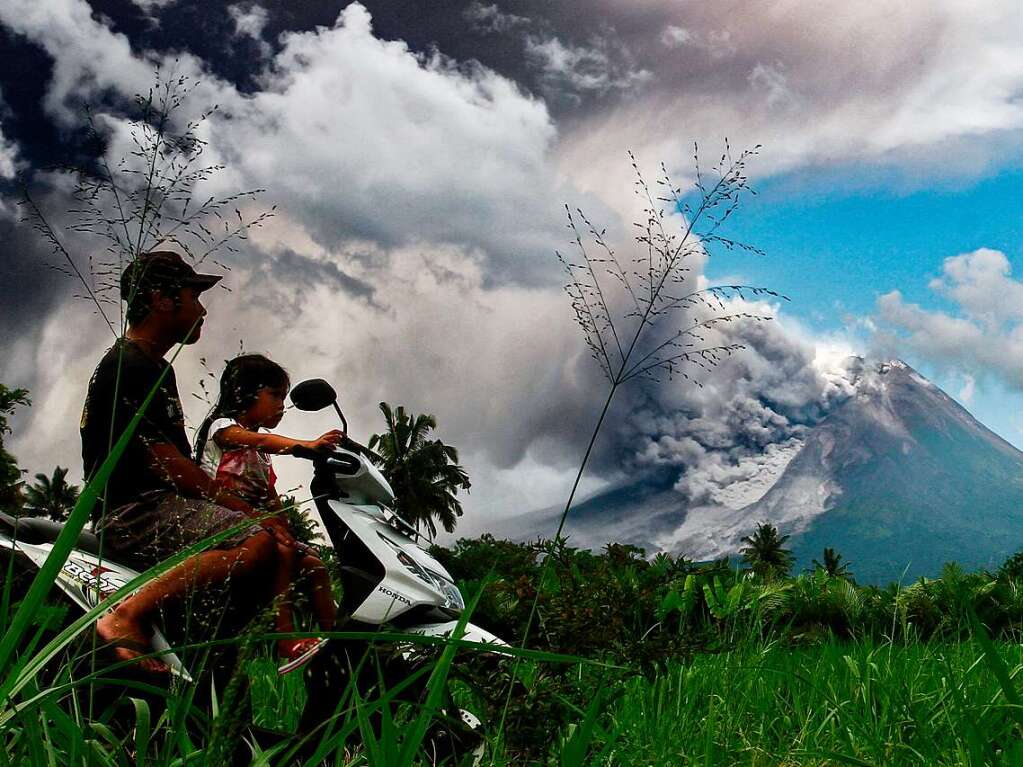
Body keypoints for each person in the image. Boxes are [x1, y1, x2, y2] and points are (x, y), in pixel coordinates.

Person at [81, 250, 287, 674]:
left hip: (160, 508)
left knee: (284, 559)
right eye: (193, 296)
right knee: (254, 540)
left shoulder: (154, 367)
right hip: (136, 512)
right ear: (162, 299)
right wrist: (245, 510)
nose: (202, 308)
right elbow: (168, 463)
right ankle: (125, 613)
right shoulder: (129, 364)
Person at [194, 354, 342, 664]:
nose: (281, 405)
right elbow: (259, 440)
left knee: (314, 564)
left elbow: (270, 495)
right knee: (284, 553)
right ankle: (285, 639)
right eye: (274, 395)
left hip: (254, 523)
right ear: (244, 392)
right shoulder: (223, 427)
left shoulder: (261, 455)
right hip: (218, 517)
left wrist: (283, 525)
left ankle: (338, 642)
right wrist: (305, 446)